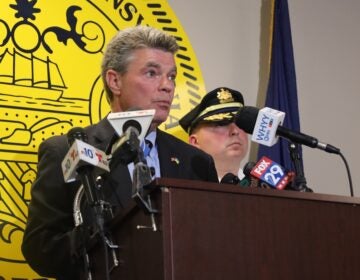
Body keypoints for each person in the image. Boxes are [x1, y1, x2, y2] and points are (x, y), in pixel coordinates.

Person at [21, 25, 218, 279]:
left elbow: (213, 244)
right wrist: (98, 232)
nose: (167, 86)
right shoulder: (66, 151)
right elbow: (41, 249)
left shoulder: (196, 161)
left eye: (171, 76)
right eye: (151, 73)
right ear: (114, 81)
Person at [179, 87, 249, 182]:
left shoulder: (263, 188)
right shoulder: (182, 188)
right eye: (221, 124)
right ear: (195, 142)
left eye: (240, 123)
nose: (235, 131)